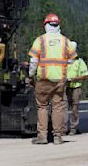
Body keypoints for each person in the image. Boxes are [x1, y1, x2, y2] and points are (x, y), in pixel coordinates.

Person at [28, 13, 77, 145]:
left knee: (42, 106)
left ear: (46, 25)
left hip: (43, 79)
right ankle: (57, 137)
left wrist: (31, 75)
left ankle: (42, 136)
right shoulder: (66, 41)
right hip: (60, 79)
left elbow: (33, 61)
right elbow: (72, 61)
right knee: (57, 107)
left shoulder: (40, 40)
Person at [66, 41, 88, 135]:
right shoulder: (64, 61)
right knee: (62, 108)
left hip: (76, 87)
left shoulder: (80, 62)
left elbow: (86, 75)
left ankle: (73, 128)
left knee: (74, 108)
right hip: (65, 87)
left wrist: (75, 79)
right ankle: (61, 128)